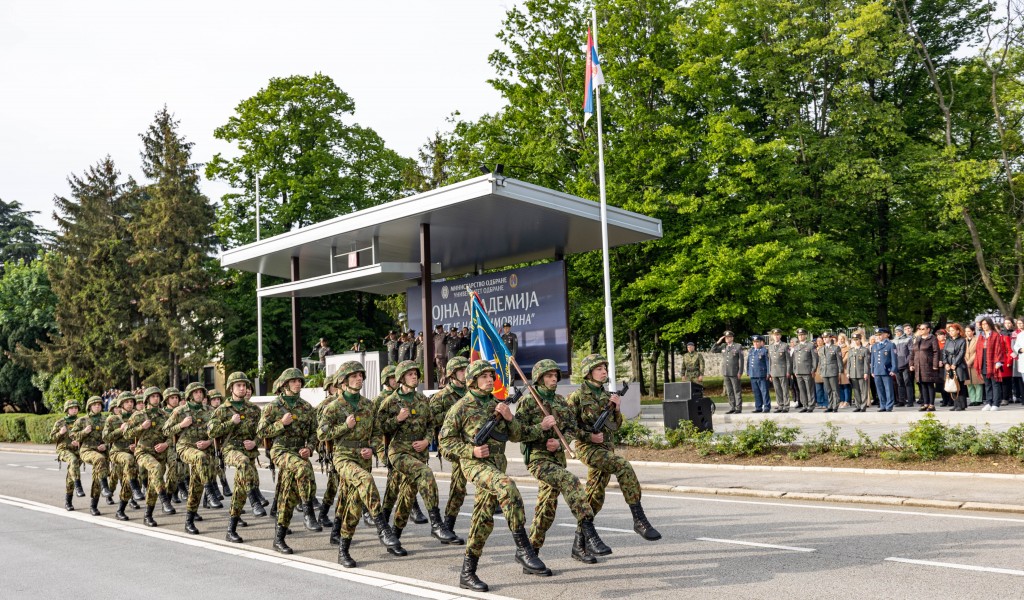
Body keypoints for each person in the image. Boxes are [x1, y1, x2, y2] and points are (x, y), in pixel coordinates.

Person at [440, 359, 548, 591]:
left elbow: (518, 435)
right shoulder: (461, 407)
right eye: (485, 376)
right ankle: (523, 548)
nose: (490, 379)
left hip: (497, 465)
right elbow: (445, 441)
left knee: (483, 519)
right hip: (475, 465)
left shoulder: (498, 405)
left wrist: (509, 418)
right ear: (472, 381)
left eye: (492, 376)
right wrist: (471, 450)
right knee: (507, 487)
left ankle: (467, 573)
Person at [518, 359, 608, 564]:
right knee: (571, 481)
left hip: (556, 459)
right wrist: (540, 428)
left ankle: (530, 552)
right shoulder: (529, 401)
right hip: (538, 460)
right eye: (549, 376)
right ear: (539, 378)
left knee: (547, 508)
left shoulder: (560, 401)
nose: (554, 379)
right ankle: (589, 532)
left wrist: (560, 443)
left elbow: (571, 429)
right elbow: (517, 433)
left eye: (555, 375)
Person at [568, 354, 660, 544]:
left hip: (606, 449)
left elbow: (615, 426)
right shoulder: (576, 397)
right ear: (588, 373)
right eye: (599, 369)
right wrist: (588, 436)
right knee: (623, 466)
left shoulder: (606, 396)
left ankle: (580, 542)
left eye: (605, 369)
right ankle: (639, 519)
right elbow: (566, 427)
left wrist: (617, 409)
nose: (604, 372)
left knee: (595, 496)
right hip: (588, 449)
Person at [317, 360, 401, 567]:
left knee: (353, 503)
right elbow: (322, 433)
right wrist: (345, 427)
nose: (359, 378)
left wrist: (372, 448)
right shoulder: (334, 407)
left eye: (360, 375)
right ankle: (382, 527)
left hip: (363, 458)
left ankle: (343, 550)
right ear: (343, 381)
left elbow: (377, 433)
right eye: (354, 376)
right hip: (343, 456)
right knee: (366, 480)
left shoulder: (367, 405)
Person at [378, 360, 458, 546]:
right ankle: (436, 524)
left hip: (419, 454)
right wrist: (397, 419)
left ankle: (395, 537)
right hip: (399, 453)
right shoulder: (390, 402)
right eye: (409, 374)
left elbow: (431, 424)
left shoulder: (422, 400)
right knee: (425, 474)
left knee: (407, 497)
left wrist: (427, 441)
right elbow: (379, 428)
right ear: (400, 378)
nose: (414, 376)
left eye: (415, 374)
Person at [257, 367, 322, 554]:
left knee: (288, 494)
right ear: (285, 384)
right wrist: (281, 424)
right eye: (294, 381)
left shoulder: (306, 407)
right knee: (303, 469)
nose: (298, 383)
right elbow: (261, 432)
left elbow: (313, 433)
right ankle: (308, 512)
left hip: (298, 451)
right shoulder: (273, 407)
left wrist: (309, 448)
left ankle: (279, 539)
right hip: (281, 450)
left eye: (299, 381)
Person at [209, 372, 266, 543]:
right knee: (242, 463)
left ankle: (231, 529)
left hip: (248, 452)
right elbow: (211, 431)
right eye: (238, 385)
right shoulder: (222, 410)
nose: (242, 388)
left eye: (244, 386)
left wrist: (255, 443)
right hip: (230, 449)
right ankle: (254, 500)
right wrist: (230, 423)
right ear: (231, 388)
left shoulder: (254, 410)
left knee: (240, 487)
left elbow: (262, 432)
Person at [164, 382, 222, 534]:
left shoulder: (210, 411)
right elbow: (166, 430)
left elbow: (216, 432)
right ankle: (210, 493)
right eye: (195, 392)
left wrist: (209, 442)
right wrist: (181, 425)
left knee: (196, 485)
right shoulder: (180, 411)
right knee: (201, 457)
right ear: (190, 395)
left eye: (201, 392)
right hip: (185, 447)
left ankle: (189, 521)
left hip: (203, 448)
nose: (199, 395)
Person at [429, 356, 472, 542]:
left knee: (460, 484)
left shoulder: (471, 392)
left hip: (470, 442)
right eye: (462, 371)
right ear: (452, 375)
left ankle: (447, 525)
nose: (465, 373)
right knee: (460, 480)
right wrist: (453, 414)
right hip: (449, 444)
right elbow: (429, 420)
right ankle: (447, 525)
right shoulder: (441, 397)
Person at [124, 387, 177, 526]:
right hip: (143, 452)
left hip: (160, 453)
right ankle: (165, 500)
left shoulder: (165, 416)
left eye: (157, 396)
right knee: (156, 468)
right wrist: (141, 427)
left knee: (154, 482)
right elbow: (126, 434)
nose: (156, 399)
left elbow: (172, 435)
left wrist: (166, 444)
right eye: (153, 396)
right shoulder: (138, 415)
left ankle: (148, 515)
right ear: (147, 399)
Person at [103, 392, 145, 520]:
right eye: (127, 402)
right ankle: (136, 488)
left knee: (127, 481)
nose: (130, 404)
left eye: (131, 401)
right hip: (118, 452)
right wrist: (119, 430)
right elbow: (106, 438)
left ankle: (120, 510)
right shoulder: (112, 419)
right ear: (121, 404)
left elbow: (144, 435)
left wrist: (137, 446)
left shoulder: (137, 417)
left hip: (134, 452)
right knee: (127, 462)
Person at [71, 396, 113, 515]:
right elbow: (73, 436)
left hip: (101, 452)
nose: (97, 406)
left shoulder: (106, 420)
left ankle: (93, 506)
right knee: (99, 459)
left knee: (96, 478)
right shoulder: (82, 421)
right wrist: (84, 432)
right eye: (94, 405)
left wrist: (106, 445)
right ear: (89, 407)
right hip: (87, 450)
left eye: (99, 404)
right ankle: (105, 486)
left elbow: (112, 437)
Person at [51, 400, 85, 510]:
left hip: (77, 450)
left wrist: (80, 442)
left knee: (71, 474)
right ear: (67, 410)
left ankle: (68, 501)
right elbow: (51, 438)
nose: (74, 410)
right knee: (73, 460)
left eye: (75, 408)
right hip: (64, 449)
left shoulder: (82, 421)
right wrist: (60, 433)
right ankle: (78, 486)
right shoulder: (60, 422)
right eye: (71, 408)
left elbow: (88, 436)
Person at [975, 317, 1008, 411]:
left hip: (993, 362)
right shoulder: (981, 336)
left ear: (990, 324)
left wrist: (998, 362)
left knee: (995, 383)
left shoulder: (995, 335)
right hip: (983, 361)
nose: (984, 326)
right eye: (983, 324)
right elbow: (977, 350)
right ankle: (989, 402)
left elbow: (999, 349)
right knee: (987, 384)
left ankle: (996, 403)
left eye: (986, 324)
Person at [711, 331, 744, 414]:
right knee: (729, 391)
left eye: (729, 337)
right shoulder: (723, 346)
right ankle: (732, 407)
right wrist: (718, 342)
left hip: (734, 372)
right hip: (726, 372)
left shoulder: (737, 346)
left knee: (736, 390)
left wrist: (740, 372)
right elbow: (713, 350)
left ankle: (738, 407)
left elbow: (741, 360)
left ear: (732, 338)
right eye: (726, 337)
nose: (727, 339)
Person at [910, 323, 940, 412]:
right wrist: (911, 364)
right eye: (920, 329)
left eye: (923, 329)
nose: (921, 330)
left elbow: (936, 352)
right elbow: (913, 352)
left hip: (928, 365)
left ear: (928, 330)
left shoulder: (932, 339)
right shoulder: (918, 339)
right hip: (918, 365)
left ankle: (931, 404)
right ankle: (925, 403)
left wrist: (935, 365)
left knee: (929, 384)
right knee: (922, 384)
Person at [870, 328, 897, 411]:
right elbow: (873, 359)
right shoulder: (874, 346)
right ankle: (883, 405)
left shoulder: (890, 345)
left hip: (886, 370)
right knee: (880, 389)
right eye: (877, 335)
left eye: (880, 334)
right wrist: (872, 370)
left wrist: (893, 369)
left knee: (888, 389)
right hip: (877, 370)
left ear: (885, 335)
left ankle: (889, 406)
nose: (879, 336)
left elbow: (894, 358)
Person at [943, 324, 969, 411]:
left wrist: (955, 363)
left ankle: (961, 405)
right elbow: (944, 353)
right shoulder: (948, 341)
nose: (951, 332)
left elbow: (961, 353)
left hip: (959, 365)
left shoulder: (962, 340)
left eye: (953, 330)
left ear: (958, 331)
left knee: (959, 385)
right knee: (952, 384)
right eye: (949, 331)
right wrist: (946, 363)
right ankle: (956, 404)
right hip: (949, 364)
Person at [792, 328, 818, 412]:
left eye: (802, 335)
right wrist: (795, 370)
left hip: (807, 370)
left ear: (806, 335)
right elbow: (794, 360)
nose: (800, 336)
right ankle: (804, 405)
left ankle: (811, 405)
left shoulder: (810, 345)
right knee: (802, 389)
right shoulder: (796, 347)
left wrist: (813, 369)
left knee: (809, 389)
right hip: (799, 371)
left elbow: (815, 359)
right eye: (799, 335)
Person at [817, 331, 843, 412]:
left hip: (833, 371)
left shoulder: (835, 348)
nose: (825, 339)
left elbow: (839, 361)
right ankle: (830, 405)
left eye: (826, 337)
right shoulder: (821, 349)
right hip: (824, 371)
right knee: (828, 390)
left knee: (835, 389)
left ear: (830, 338)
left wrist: (840, 371)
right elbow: (820, 361)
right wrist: (820, 371)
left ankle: (835, 405)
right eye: (824, 338)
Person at [847, 334, 871, 412]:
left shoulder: (864, 350)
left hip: (861, 373)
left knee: (863, 390)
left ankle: (863, 406)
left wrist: (866, 372)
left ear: (860, 340)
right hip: (853, 373)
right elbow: (849, 363)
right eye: (854, 340)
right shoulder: (851, 350)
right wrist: (848, 372)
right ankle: (858, 405)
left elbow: (866, 363)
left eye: (857, 339)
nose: (855, 341)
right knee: (856, 390)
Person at [747, 336, 770, 413]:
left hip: (762, 374)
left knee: (764, 391)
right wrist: (748, 372)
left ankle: (766, 406)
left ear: (761, 342)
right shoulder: (751, 351)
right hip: (753, 374)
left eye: (757, 342)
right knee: (756, 392)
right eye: (754, 342)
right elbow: (748, 362)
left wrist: (768, 373)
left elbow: (768, 363)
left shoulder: (764, 351)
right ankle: (758, 407)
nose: (755, 343)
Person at [893, 324, 913, 407]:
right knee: (899, 383)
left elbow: (911, 352)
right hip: (897, 365)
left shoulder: (908, 339)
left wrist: (907, 362)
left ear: (902, 332)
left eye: (899, 331)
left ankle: (910, 401)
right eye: (896, 331)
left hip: (905, 365)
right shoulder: (893, 341)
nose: (897, 333)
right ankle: (901, 400)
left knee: (907, 382)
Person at [965, 325, 984, 406]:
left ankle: (978, 399)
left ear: (973, 331)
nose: (967, 333)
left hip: (975, 362)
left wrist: (970, 361)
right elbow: (962, 351)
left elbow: (977, 351)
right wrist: (966, 361)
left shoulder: (977, 339)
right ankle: (972, 399)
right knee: (969, 383)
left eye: (969, 331)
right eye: (966, 331)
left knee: (977, 382)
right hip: (966, 362)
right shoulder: (964, 340)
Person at [837, 333, 852, 408]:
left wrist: (838, 364)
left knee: (846, 385)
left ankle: (847, 401)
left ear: (844, 339)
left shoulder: (847, 348)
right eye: (839, 339)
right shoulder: (836, 347)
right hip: (837, 369)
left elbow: (846, 359)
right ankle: (841, 400)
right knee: (839, 386)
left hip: (844, 369)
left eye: (842, 339)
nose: (840, 340)